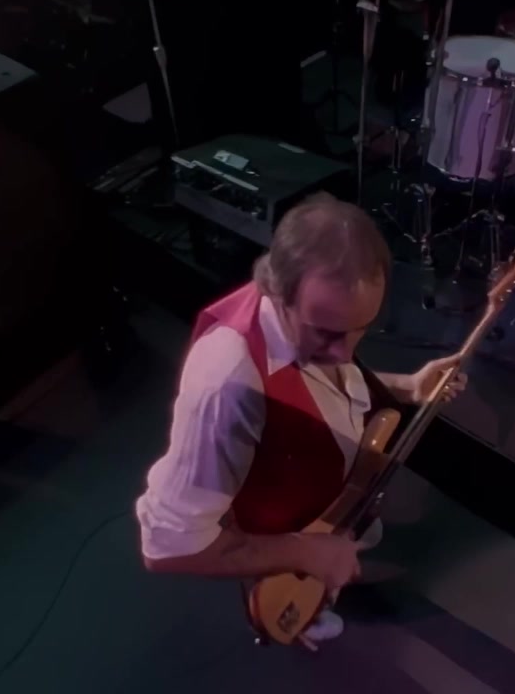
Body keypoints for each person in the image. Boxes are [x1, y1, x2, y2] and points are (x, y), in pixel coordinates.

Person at [136, 194, 467, 648]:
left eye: (361, 328)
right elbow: (168, 546)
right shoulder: (227, 386)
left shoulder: (314, 323)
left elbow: (327, 377)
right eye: (326, 333)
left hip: (318, 492)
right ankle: (302, 616)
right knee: (294, 591)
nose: (345, 353)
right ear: (277, 292)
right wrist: (306, 552)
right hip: (279, 526)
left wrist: (405, 386)